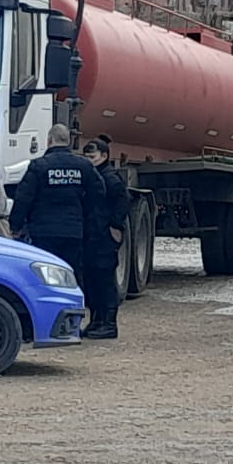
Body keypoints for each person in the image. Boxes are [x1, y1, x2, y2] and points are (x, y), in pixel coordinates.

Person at [9, 123, 105, 284]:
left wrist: (15, 226)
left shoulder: (39, 166)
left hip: (43, 231)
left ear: (49, 140)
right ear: (68, 141)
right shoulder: (83, 165)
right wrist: (85, 216)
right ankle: (74, 306)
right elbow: (99, 193)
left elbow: (23, 198)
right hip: (73, 230)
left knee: (45, 273)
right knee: (72, 271)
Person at [80, 133, 128, 340]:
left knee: (105, 280)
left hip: (104, 236)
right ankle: (97, 320)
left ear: (104, 156)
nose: (90, 160)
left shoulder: (109, 177)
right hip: (92, 235)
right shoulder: (93, 176)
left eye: (93, 157)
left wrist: (115, 226)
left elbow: (123, 201)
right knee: (92, 279)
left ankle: (109, 323)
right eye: (87, 157)